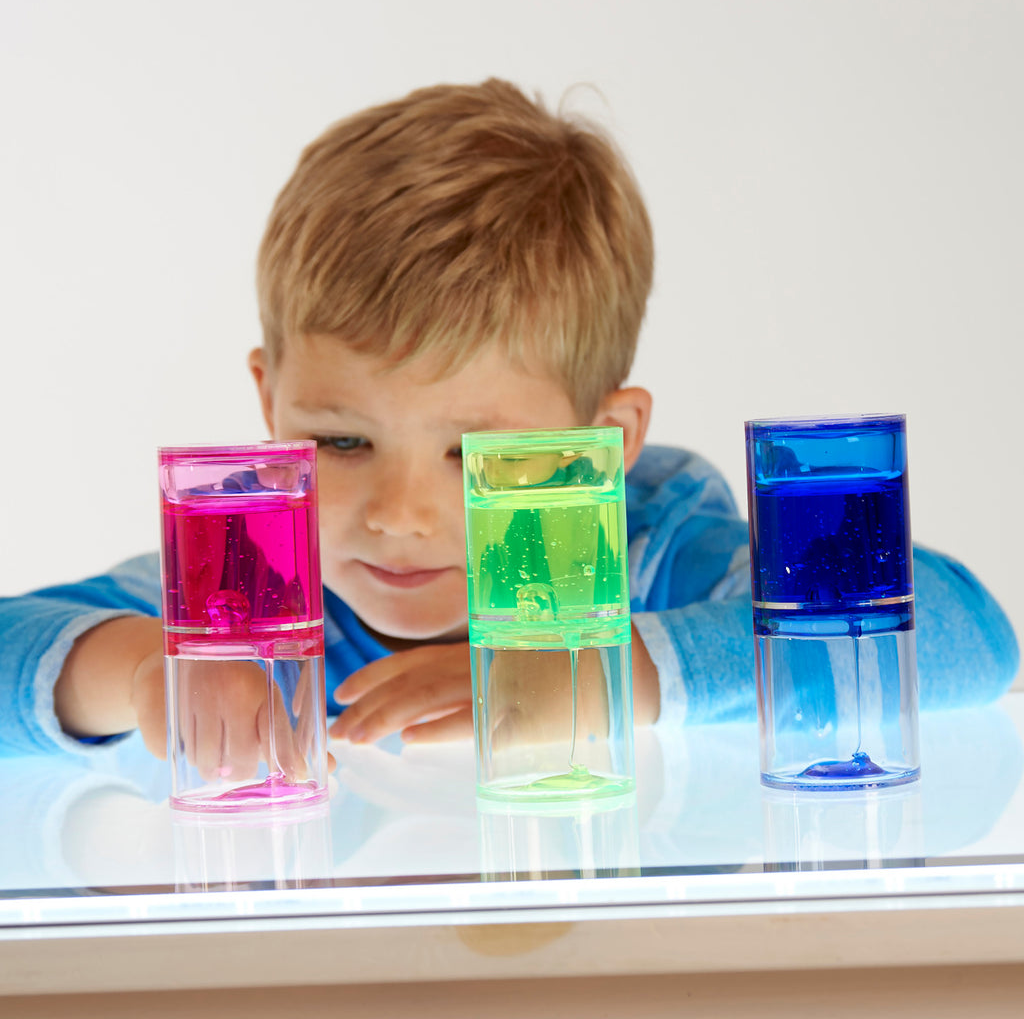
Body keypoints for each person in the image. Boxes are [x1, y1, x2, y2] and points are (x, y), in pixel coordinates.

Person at [0, 79, 1018, 764]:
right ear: (271, 405)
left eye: (475, 455)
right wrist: (140, 667)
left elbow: (965, 630)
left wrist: (615, 671)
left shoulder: (659, 552)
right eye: (341, 440)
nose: (397, 515)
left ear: (607, 443)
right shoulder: (260, 584)